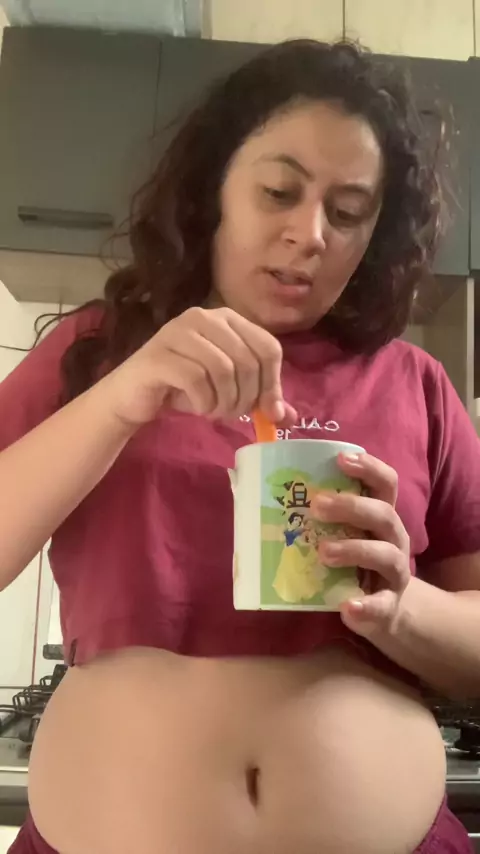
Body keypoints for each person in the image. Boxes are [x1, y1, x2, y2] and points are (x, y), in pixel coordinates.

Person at [0, 37, 479, 854]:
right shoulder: (96, 351)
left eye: (348, 212)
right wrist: (121, 398)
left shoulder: (416, 383)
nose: (310, 233)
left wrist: (402, 608)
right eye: (279, 191)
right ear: (213, 189)